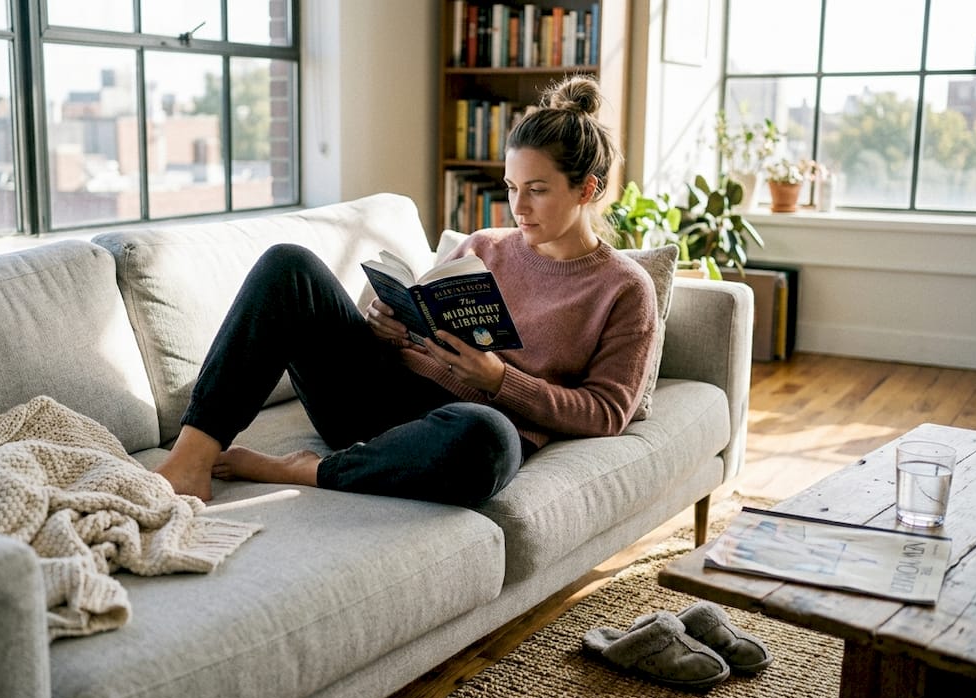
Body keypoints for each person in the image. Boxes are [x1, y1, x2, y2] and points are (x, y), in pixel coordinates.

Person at [154, 75, 658, 506]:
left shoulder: (624, 288)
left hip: (458, 429)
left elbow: (606, 412)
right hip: (376, 397)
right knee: (289, 265)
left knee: (489, 440)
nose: (518, 207)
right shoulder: (485, 246)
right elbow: (426, 328)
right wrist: (388, 325)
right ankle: (189, 460)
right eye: (511, 187)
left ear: (588, 189)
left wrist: (499, 379)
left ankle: (308, 470)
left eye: (537, 190)